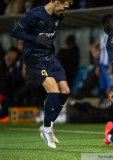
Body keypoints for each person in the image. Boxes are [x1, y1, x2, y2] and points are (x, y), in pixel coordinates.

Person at [11, 0, 73, 149]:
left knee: (65, 91)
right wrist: (34, 39)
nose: (65, 10)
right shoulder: (35, 15)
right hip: (35, 57)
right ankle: (46, 130)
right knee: (53, 90)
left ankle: (48, 126)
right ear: (56, 2)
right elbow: (15, 32)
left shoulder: (59, 16)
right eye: (64, 7)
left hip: (50, 57)